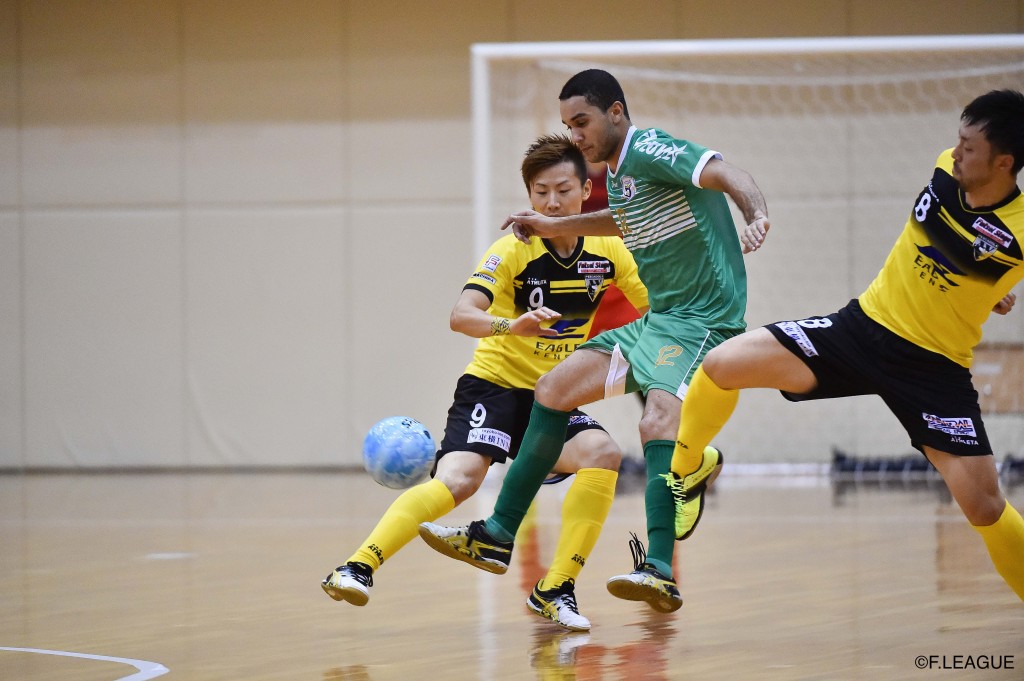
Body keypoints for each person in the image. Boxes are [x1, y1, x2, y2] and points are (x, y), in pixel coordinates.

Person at [419, 68, 770, 613]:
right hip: (661, 319)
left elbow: (728, 173)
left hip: (703, 319)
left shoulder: (650, 148)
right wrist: (550, 226)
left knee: (655, 421)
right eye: (568, 125)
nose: (575, 135)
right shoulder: (622, 173)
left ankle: (659, 569)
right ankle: (497, 533)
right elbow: (620, 219)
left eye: (581, 122)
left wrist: (756, 214)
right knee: (553, 389)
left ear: (615, 112)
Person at [669, 89, 1024, 602]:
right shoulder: (945, 168)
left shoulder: (1019, 230)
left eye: (970, 147)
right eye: (958, 141)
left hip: (933, 369)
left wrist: (991, 290)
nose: (956, 153)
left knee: (985, 507)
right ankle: (686, 471)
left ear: (1004, 162)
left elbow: (982, 261)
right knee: (722, 364)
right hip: (860, 331)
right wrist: (986, 287)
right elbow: (949, 250)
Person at [321, 133, 649, 631]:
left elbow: (654, 309)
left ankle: (555, 588)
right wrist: (511, 325)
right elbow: (461, 315)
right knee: (460, 480)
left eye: (563, 190)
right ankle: (357, 566)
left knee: (603, 454)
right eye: (541, 192)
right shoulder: (513, 250)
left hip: (551, 398)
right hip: (492, 388)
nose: (552, 202)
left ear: (586, 192)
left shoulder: (609, 252)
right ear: (529, 195)